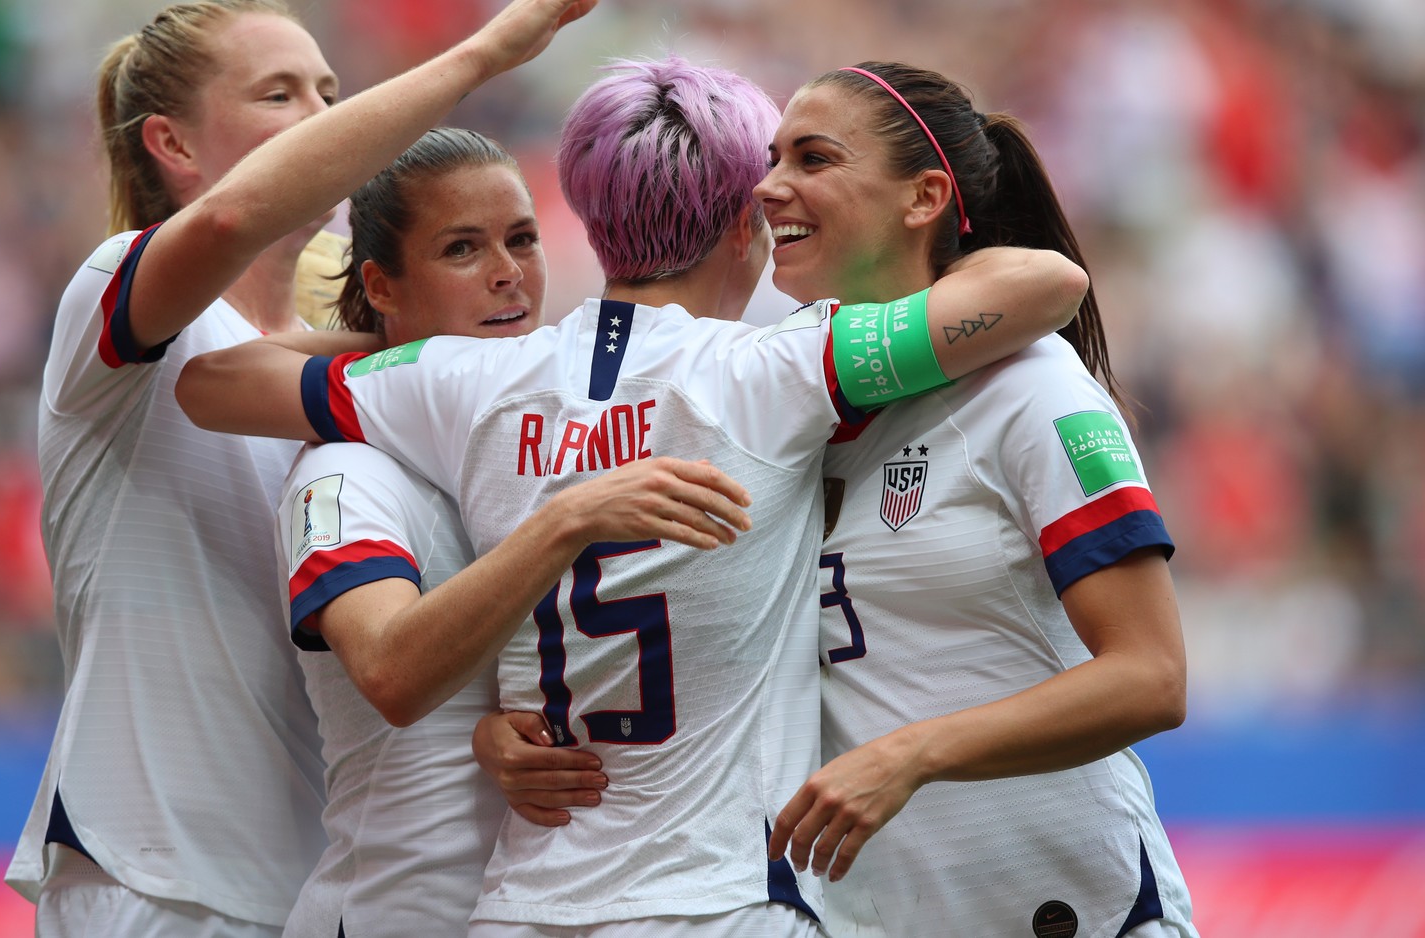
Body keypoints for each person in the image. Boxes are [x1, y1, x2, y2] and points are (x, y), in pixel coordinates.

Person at [173, 39, 1084, 934]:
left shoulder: (465, 381)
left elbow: (209, 383)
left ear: (588, 214)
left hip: (524, 902)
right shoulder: (780, 369)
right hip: (713, 900)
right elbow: (1045, 284)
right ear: (744, 225)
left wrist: (415, 354)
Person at [751, 63, 1198, 937]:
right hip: (875, 917)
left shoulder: (1032, 387)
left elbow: (1154, 676)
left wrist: (916, 753)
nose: (771, 186)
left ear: (923, 198)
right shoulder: (773, 392)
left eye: (813, 158)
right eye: (772, 159)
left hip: (1073, 911)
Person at [277, 125, 752, 938]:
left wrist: (493, 735)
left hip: (521, 904)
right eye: (462, 248)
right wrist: (565, 520)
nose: (508, 274)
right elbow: (393, 674)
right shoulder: (344, 473)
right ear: (381, 287)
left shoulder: (514, 446)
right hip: (396, 910)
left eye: (522, 239)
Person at [6, 2, 338, 934]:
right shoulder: (118, 287)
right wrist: (490, 50)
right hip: (152, 876)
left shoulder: (339, 368)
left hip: (315, 883)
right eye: (280, 94)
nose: (322, 116)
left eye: (330, 92)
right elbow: (233, 215)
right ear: (173, 144)